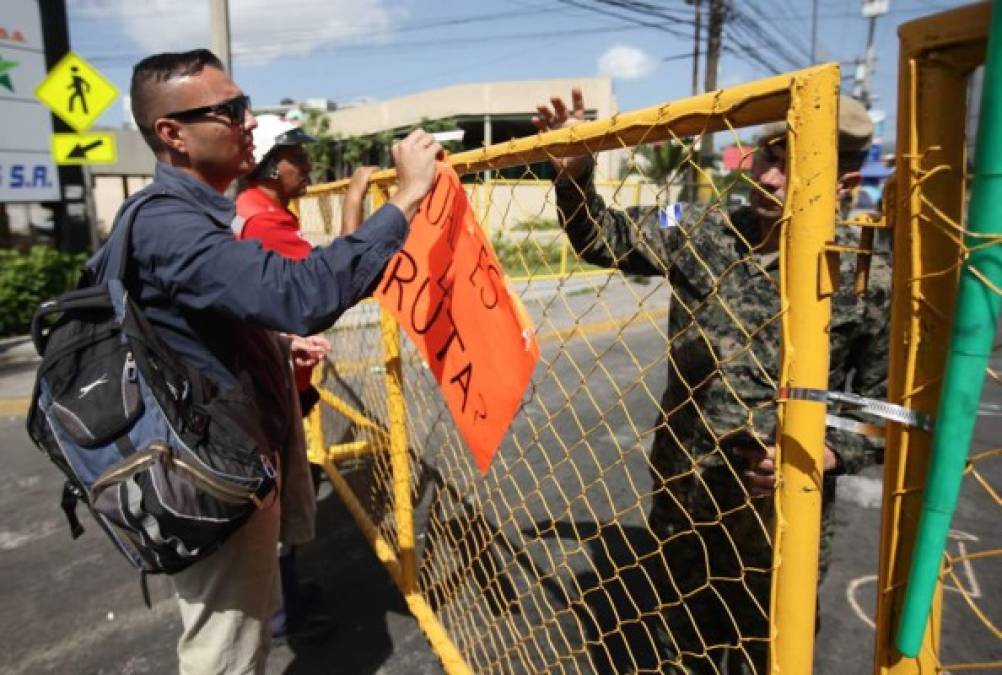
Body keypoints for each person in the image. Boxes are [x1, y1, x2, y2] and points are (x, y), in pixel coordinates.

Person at [532, 89, 889, 674]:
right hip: (684, 484)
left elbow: (877, 406)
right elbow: (607, 235)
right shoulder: (699, 221)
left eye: (791, 165)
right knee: (679, 628)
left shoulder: (864, 274)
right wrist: (575, 176)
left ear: (844, 180)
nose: (768, 178)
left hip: (778, 506)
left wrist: (825, 452)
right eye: (768, 155)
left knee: (768, 639)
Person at [108, 49, 440, 674]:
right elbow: (298, 293)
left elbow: (198, 321)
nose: (250, 122)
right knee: (224, 651)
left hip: (222, 456)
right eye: (230, 110)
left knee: (245, 633)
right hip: (209, 472)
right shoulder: (169, 226)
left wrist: (278, 344)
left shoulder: (189, 218)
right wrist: (409, 195)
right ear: (172, 134)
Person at [233, 113, 379, 643]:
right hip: (272, 392)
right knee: (278, 508)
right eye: (297, 154)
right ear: (272, 165)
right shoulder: (262, 220)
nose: (307, 163)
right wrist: (356, 195)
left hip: (270, 380)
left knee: (279, 503)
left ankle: (284, 602)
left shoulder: (256, 210)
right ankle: (282, 616)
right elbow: (334, 281)